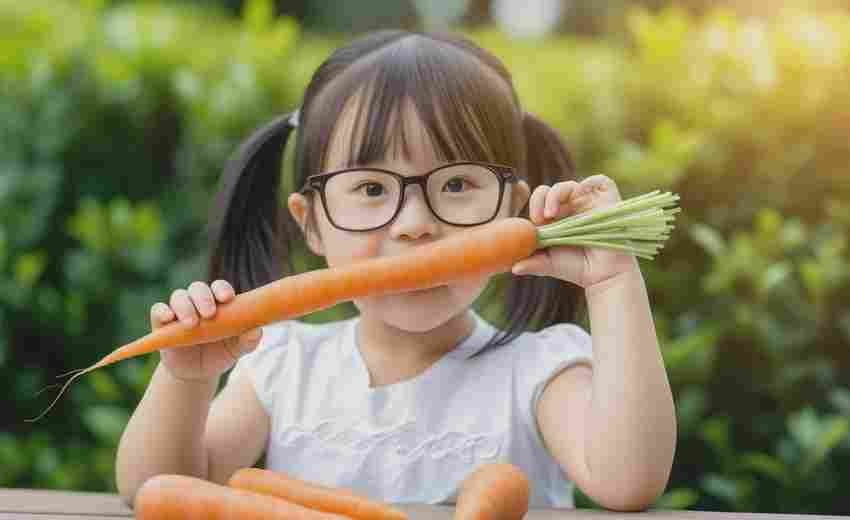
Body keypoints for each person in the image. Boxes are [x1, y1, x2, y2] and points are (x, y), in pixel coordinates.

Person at [115, 29, 676, 512]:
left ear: (511, 209)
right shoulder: (283, 366)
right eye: (370, 188)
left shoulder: (536, 373)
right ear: (312, 224)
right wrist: (185, 380)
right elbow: (157, 490)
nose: (414, 224)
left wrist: (613, 282)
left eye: (456, 184)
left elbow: (627, 482)